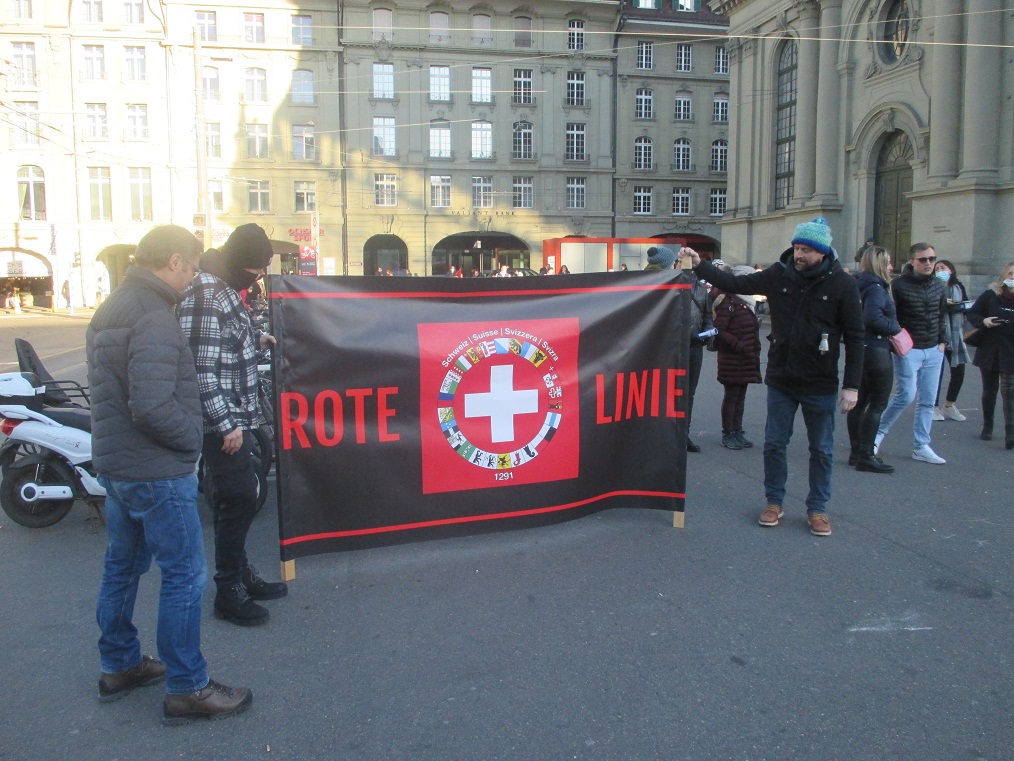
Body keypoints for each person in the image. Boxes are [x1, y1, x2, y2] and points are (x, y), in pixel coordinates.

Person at [87, 225, 251, 725]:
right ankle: (188, 686)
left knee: (123, 566)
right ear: (175, 261)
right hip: (156, 470)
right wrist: (190, 438)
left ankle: (120, 664)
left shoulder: (113, 306)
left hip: (119, 466)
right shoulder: (154, 317)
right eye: (193, 267)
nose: (193, 277)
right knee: (183, 576)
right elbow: (153, 405)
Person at [678, 217, 864, 537]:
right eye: (796, 247)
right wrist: (701, 265)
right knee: (775, 444)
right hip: (782, 377)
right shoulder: (780, 273)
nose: (798, 254)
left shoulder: (842, 284)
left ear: (822, 252)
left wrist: (852, 386)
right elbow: (738, 284)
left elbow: (856, 335)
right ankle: (774, 502)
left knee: (821, 448)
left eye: (806, 249)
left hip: (820, 380)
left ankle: (818, 508)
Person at [179, 223, 288, 626]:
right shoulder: (207, 292)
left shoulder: (222, 287)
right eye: (257, 270)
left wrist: (255, 339)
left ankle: (239, 575)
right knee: (238, 497)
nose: (259, 277)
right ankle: (229, 588)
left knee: (240, 495)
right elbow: (200, 367)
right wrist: (225, 425)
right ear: (242, 263)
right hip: (220, 419)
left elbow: (224, 338)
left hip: (233, 414)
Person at [874, 243, 949, 464]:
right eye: (923, 259)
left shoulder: (938, 285)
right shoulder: (898, 285)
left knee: (928, 400)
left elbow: (941, 313)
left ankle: (921, 445)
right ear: (912, 261)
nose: (928, 263)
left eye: (932, 259)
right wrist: (897, 340)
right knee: (905, 394)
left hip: (934, 348)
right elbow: (890, 314)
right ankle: (877, 433)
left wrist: (943, 341)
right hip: (909, 348)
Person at [846, 246, 901, 473]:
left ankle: (857, 451)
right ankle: (866, 454)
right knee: (877, 402)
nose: (891, 267)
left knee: (861, 400)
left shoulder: (859, 285)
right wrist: (895, 327)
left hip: (861, 347)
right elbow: (873, 317)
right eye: (888, 262)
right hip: (877, 348)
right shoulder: (877, 288)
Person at [711, 265, 762, 450]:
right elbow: (719, 330)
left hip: (746, 358)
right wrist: (739, 346)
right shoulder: (729, 302)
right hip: (733, 358)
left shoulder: (746, 302)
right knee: (732, 397)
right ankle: (728, 433)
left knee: (740, 396)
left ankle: (737, 431)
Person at [967, 261, 1014, 448]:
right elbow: (972, 314)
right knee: (989, 390)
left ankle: (1010, 432)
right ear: (1003, 277)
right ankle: (988, 425)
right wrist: (983, 321)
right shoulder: (990, 295)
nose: (1013, 277)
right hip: (990, 348)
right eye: (1010, 273)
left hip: (1011, 350)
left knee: (1009, 392)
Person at [932, 259, 971, 422]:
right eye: (938, 268)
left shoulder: (958, 287)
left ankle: (949, 405)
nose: (940, 270)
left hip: (956, 335)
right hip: (938, 334)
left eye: (943, 267)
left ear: (951, 270)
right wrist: (943, 304)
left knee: (959, 371)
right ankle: (932, 407)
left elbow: (966, 305)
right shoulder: (932, 286)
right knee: (936, 373)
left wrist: (959, 306)